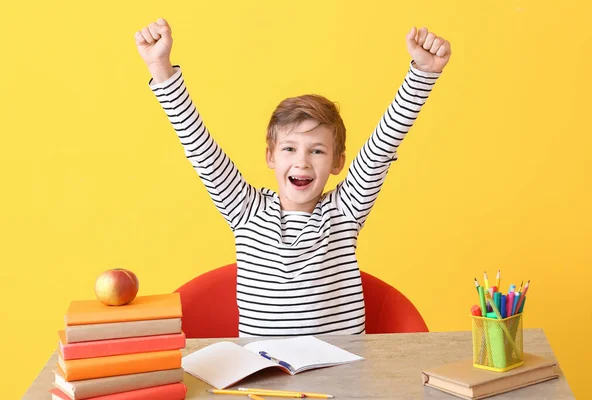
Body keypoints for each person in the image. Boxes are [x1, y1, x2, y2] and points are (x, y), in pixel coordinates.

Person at [134, 18, 451, 337]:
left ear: (338, 162)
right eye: (289, 148)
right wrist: (160, 68)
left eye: (317, 151)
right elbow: (201, 150)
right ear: (270, 156)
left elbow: (382, 147)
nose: (302, 162)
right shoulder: (246, 211)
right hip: (263, 379)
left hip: (342, 379)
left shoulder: (344, 212)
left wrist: (423, 73)